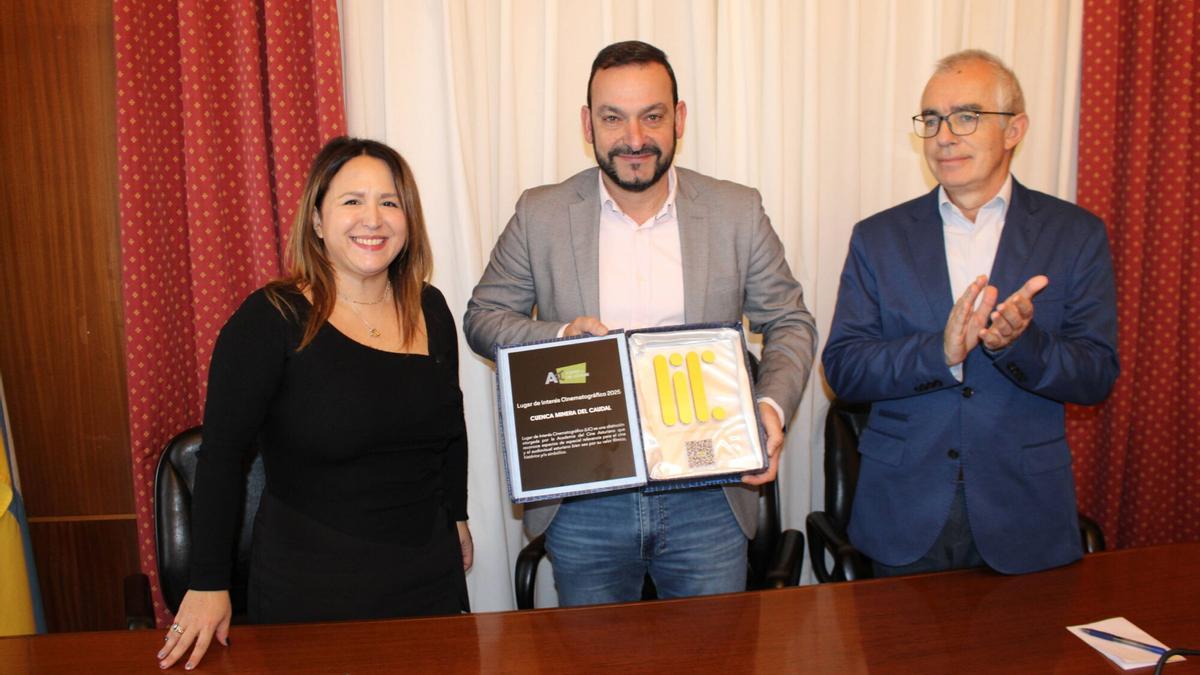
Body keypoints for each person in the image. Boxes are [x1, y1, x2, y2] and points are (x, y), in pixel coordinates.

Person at [464, 41, 816, 605]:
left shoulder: (737, 211)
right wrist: (558, 337)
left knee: (711, 657)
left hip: (710, 493)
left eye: (652, 116)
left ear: (679, 118)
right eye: (613, 118)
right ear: (588, 124)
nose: (634, 138)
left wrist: (769, 408)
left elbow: (790, 321)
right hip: (585, 497)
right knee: (598, 659)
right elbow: (483, 317)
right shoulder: (541, 213)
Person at [157, 137, 472, 669]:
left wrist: (458, 515)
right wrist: (208, 584)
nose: (373, 218)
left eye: (390, 202)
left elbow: (451, 423)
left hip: (429, 581)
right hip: (315, 588)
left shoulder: (431, 307)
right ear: (318, 221)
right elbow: (222, 457)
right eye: (352, 201)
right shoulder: (269, 319)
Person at [822, 50, 1119, 576]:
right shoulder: (878, 238)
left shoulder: (1075, 234)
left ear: (1014, 130)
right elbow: (844, 369)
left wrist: (1020, 344)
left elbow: (1095, 375)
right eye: (931, 119)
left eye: (966, 116)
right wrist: (940, 351)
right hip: (903, 513)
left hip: (1024, 511)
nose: (943, 135)